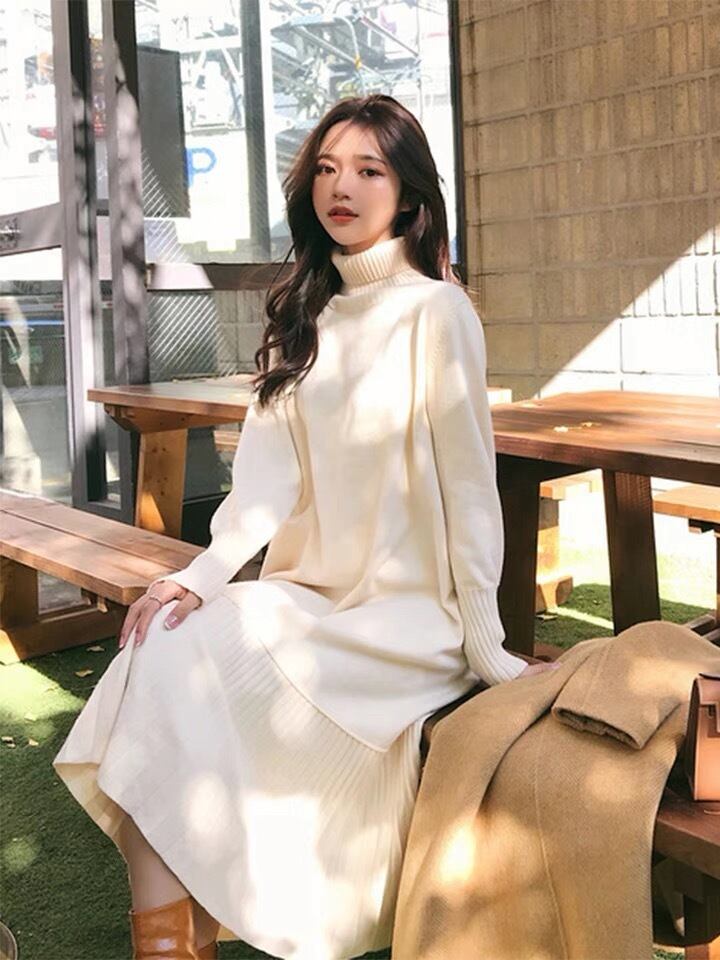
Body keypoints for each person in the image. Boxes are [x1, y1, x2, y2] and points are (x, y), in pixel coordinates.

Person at [53, 93, 560, 960]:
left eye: (368, 170)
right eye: (326, 168)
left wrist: (486, 644)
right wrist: (197, 579)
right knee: (159, 645)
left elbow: (471, 490)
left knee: (176, 675)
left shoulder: (437, 313)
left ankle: (178, 939)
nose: (341, 187)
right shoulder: (306, 315)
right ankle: (171, 945)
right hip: (309, 597)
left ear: (409, 193)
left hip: (406, 621)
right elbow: (263, 487)